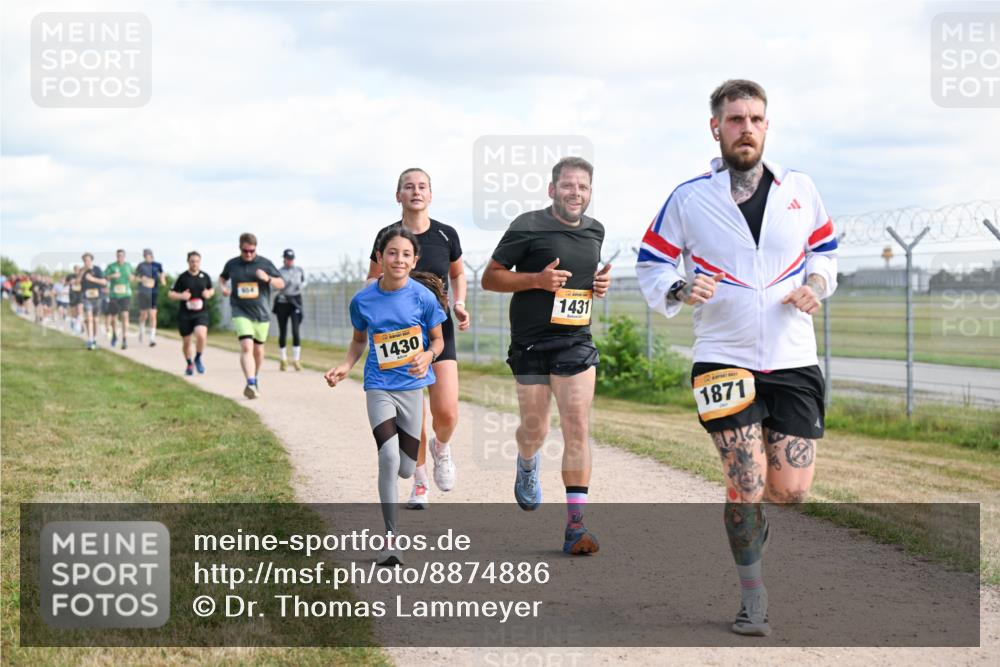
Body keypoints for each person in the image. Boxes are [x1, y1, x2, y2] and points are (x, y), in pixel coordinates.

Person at [635, 79, 838, 637]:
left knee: (789, 491)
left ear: (767, 126)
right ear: (716, 128)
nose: (745, 128)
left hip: (793, 357)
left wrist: (816, 283)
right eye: (734, 119)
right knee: (744, 483)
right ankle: (753, 597)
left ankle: (752, 522)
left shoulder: (800, 190)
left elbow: (824, 253)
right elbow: (651, 264)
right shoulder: (689, 197)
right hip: (722, 357)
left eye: (754, 119)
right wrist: (678, 289)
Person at [481, 156, 611, 555]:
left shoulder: (595, 230)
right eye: (569, 186)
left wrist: (598, 284)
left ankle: (576, 526)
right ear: (552, 189)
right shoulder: (527, 225)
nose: (576, 193)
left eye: (584, 187)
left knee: (576, 426)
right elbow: (490, 277)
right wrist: (536, 280)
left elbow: (583, 279)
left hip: (575, 339)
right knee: (534, 429)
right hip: (531, 343)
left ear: (590, 193)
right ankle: (526, 460)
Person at [325, 227, 447, 565]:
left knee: (407, 468)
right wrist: (346, 365)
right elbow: (358, 340)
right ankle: (391, 539)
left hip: (411, 388)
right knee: (389, 458)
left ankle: (413, 473)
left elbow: (437, 341)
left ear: (414, 260)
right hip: (378, 386)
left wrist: (428, 355)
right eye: (392, 252)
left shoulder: (422, 297)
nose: (399, 259)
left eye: (406, 254)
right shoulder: (363, 300)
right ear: (380, 257)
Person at [366, 168, 470, 510]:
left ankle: (442, 448)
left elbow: (457, 273)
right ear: (398, 195)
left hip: (439, 331)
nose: (416, 191)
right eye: (408, 187)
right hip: (400, 336)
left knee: (447, 411)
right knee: (414, 415)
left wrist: (459, 302)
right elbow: (372, 282)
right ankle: (420, 482)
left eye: (422, 186)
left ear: (430, 194)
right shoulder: (386, 236)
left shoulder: (446, 234)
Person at [219, 233, 285, 399]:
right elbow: (222, 278)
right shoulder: (232, 264)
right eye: (245, 250)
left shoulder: (265, 263)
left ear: (256, 248)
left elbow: (281, 284)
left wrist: (267, 278)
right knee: (247, 346)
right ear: (240, 248)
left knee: (258, 350)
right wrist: (223, 287)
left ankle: (254, 377)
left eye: (251, 251)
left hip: (261, 314)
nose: (248, 254)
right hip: (240, 311)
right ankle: (250, 382)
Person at [168, 251, 214, 375]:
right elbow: (170, 293)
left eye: (197, 261)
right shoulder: (182, 278)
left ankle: (198, 357)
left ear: (200, 262)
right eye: (192, 261)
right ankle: (189, 363)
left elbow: (211, 289)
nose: (195, 264)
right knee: (186, 341)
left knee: (201, 335)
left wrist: (208, 294)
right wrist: (181, 295)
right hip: (185, 314)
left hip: (200, 313)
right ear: (188, 262)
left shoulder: (205, 276)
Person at [274, 248, 307, 371]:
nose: (290, 261)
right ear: (284, 259)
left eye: (292, 259)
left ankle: (296, 360)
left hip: (295, 303)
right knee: (282, 331)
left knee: (296, 331)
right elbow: (275, 286)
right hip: (282, 302)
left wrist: (299, 286)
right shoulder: (279, 271)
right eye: (288, 259)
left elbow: (303, 282)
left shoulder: (299, 270)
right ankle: (283, 359)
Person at [135, 248, 167, 346]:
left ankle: (152, 338)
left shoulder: (158, 265)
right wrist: (141, 279)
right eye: (145, 255)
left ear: (152, 256)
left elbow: (162, 275)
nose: (147, 256)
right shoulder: (141, 266)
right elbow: (134, 277)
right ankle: (141, 330)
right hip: (143, 292)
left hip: (154, 292)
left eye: (149, 255)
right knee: (144, 315)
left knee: (153, 315)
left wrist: (163, 280)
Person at [105, 249, 134, 349]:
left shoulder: (128, 266)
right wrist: (112, 276)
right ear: (116, 256)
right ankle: (114, 335)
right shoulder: (111, 266)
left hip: (126, 295)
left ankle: (125, 339)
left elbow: (133, 276)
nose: (120, 257)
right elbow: (105, 277)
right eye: (118, 256)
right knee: (114, 318)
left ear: (124, 256)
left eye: (121, 256)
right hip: (114, 296)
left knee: (125, 315)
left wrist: (132, 277)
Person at [79, 253, 107, 350]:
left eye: (88, 260)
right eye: (85, 260)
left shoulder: (97, 269)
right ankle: (90, 341)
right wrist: (81, 274)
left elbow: (104, 282)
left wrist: (92, 279)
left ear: (91, 260)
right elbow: (76, 282)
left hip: (97, 297)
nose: (87, 262)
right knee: (89, 318)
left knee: (95, 320)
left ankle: (94, 339)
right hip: (86, 298)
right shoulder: (81, 271)